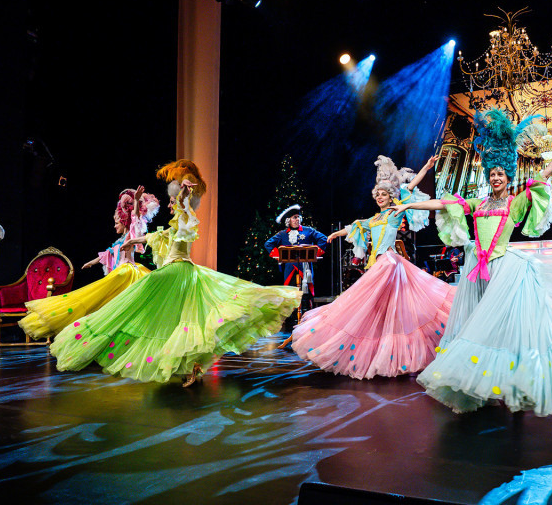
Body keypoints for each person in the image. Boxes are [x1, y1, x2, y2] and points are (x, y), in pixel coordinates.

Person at [396, 109, 552, 416]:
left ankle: (513, 383)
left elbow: (543, 175)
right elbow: (443, 203)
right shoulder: (478, 203)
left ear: (508, 176)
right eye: (492, 174)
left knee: (502, 329)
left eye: (500, 174)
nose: (496, 178)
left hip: (506, 271)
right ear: (488, 177)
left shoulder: (515, 202)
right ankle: (482, 383)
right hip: (478, 272)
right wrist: (409, 205)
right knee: (479, 326)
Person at [50, 160, 301, 386]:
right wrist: (131, 241)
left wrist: (183, 194)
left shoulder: (185, 218)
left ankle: (189, 366)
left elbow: (182, 209)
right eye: (171, 201)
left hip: (179, 271)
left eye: (172, 202)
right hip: (177, 272)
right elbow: (152, 236)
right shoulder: (173, 228)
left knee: (169, 315)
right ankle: (188, 367)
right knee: (175, 321)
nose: (170, 205)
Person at [289, 155, 453, 379]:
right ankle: (382, 354)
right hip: (376, 265)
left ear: (391, 196)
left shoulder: (395, 212)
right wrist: (336, 234)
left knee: (393, 308)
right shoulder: (374, 219)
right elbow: (355, 227)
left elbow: (409, 187)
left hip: (390, 264)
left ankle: (396, 355)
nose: (380, 198)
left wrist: (426, 167)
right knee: (378, 310)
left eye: (384, 194)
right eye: (377, 195)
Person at [20, 187, 159, 340]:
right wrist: (92, 262)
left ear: (123, 220)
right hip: (120, 272)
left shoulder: (130, 235)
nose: (114, 226)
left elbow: (136, 218)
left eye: (116, 223)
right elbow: (108, 253)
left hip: (128, 272)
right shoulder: (120, 240)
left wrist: (137, 201)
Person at [265, 205, 328, 312]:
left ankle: (305, 315)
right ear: (288, 220)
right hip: (290, 269)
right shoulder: (282, 234)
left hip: (305, 268)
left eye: (298, 217)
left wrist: (314, 252)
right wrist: (280, 256)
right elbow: (268, 244)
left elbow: (323, 239)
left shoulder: (308, 230)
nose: (297, 219)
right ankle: (292, 318)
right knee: (290, 294)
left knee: (306, 294)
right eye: (294, 217)